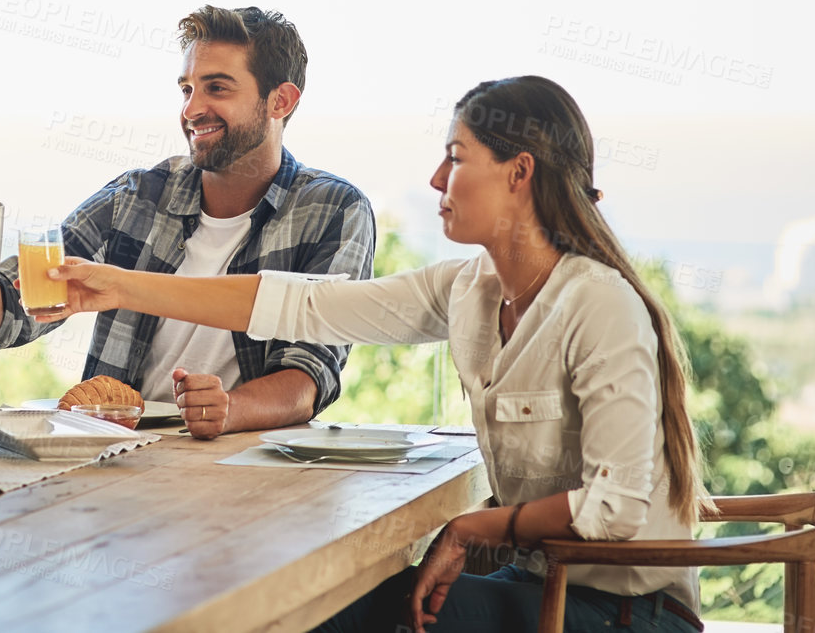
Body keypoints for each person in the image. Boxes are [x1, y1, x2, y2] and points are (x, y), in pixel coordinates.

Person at [40, 75, 709, 632]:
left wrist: (477, 526)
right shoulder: (468, 288)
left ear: (519, 174)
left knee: (333, 614)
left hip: (619, 613)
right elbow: (308, 305)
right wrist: (118, 285)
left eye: (457, 155)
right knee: (319, 604)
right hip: (535, 585)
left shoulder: (598, 303)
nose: (436, 175)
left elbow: (616, 506)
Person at [0, 5, 376, 440]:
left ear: (281, 100)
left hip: (246, 459)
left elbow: (309, 375)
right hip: (117, 451)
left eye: (217, 88)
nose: (191, 110)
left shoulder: (334, 209)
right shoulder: (136, 198)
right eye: (186, 89)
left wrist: (229, 410)